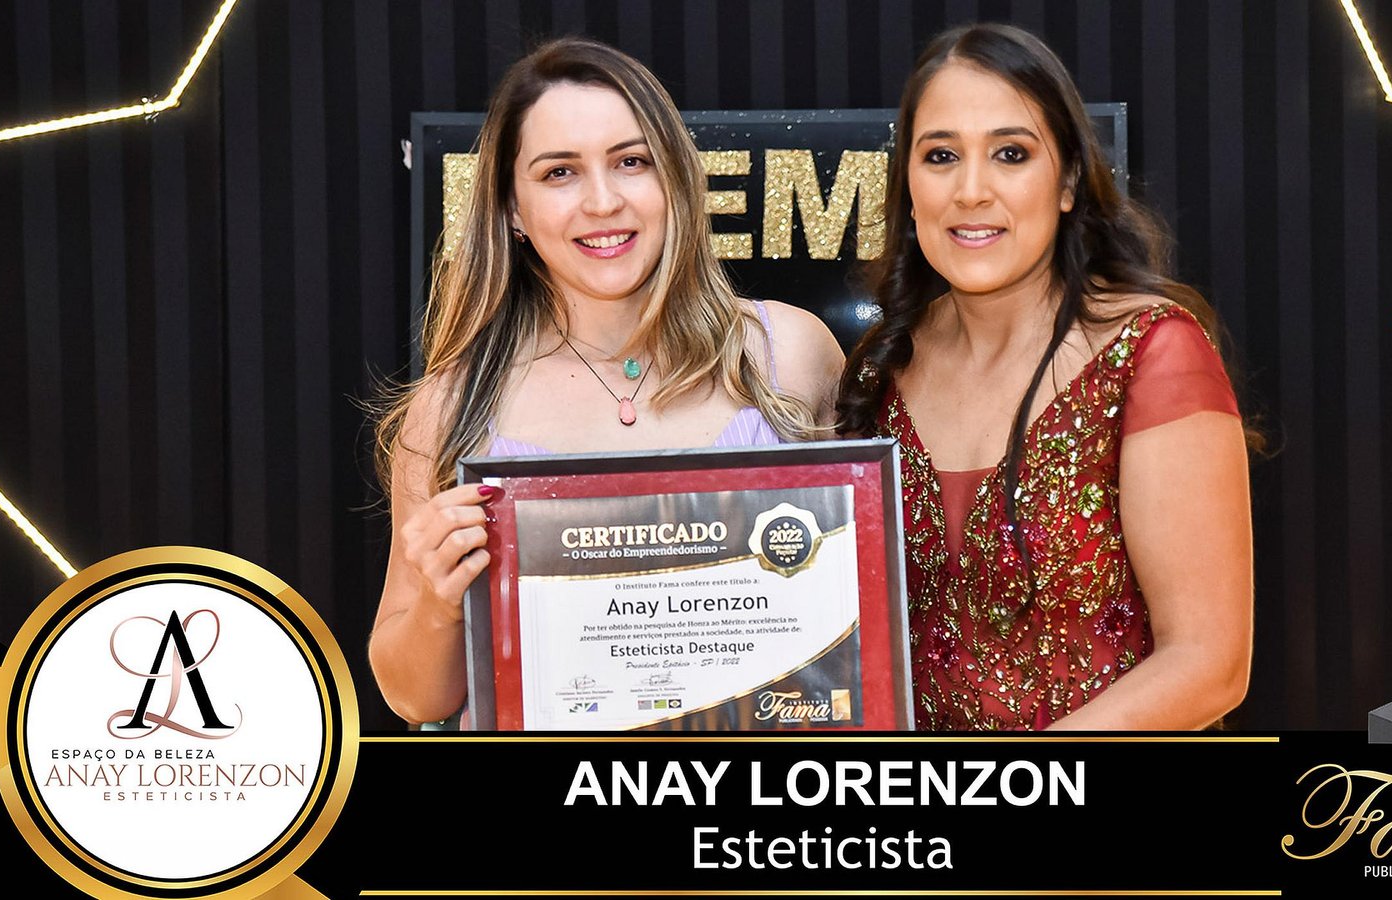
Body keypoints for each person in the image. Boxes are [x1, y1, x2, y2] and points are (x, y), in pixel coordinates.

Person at [370, 37, 844, 726]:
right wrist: (441, 604)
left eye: (631, 162)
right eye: (559, 172)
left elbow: (860, 612)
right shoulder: (449, 410)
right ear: (511, 207)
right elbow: (414, 698)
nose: (602, 201)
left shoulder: (790, 355)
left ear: (675, 179)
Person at [837, 24, 1253, 730]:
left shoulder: (1152, 353)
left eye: (1010, 154)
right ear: (907, 182)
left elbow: (1209, 663)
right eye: (940, 155)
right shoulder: (882, 364)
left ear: (1066, 182)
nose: (971, 191)